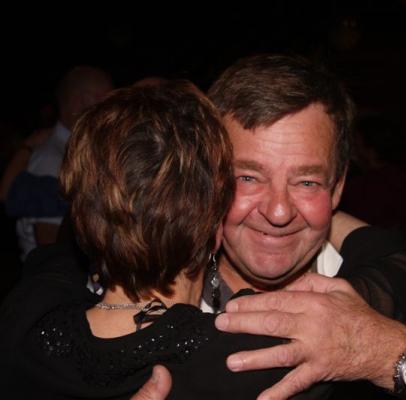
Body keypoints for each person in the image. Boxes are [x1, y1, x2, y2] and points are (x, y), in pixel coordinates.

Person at [139, 54, 406, 400]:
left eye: (307, 182)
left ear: (337, 190)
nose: (279, 211)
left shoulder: (390, 282)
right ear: (209, 181)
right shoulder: (150, 286)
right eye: (248, 177)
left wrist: (380, 352)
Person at [0, 80, 301, 398]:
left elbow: (53, 259)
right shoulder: (252, 360)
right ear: (215, 230)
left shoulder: (25, 320)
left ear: (83, 219)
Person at [11, 65, 113, 260]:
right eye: (105, 100)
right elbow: (50, 245)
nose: (111, 109)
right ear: (80, 101)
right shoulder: (53, 159)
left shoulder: (74, 152)